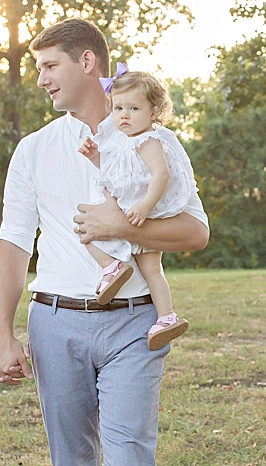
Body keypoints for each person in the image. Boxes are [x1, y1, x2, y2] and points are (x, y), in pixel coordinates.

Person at [0, 18, 209, 466]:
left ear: (89, 62)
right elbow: (14, 246)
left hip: (134, 327)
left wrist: (123, 225)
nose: (44, 78)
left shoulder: (151, 137)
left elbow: (195, 230)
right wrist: (1, 330)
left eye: (52, 65)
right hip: (55, 323)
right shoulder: (34, 149)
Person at [77, 68, 195, 349]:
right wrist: (96, 157)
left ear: (154, 112)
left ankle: (163, 313)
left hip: (140, 211)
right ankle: (160, 311)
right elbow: (113, 172)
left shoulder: (149, 140)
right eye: (118, 108)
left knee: (150, 267)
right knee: (91, 233)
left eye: (133, 108)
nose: (124, 115)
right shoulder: (121, 141)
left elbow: (161, 175)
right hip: (128, 209)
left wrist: (145, 206)